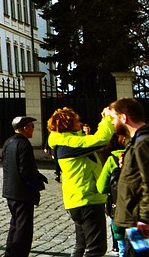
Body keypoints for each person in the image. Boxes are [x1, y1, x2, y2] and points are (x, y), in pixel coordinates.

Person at [49, 104, 116, 257]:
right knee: (96, 249)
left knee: (81, 246)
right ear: (68, 124)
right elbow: (101, 140)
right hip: (87, 200)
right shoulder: (68, 143)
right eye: (76, 121)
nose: (80, 123)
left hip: (78, 200)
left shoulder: (67, 141)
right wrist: (106, 119)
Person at [1, 115, 47, 257]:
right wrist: (35, 186)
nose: (33, 129)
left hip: (10, 191)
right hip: (22, 193)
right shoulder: (24, 144)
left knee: (15, 225)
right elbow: (25, 170)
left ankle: (10, 253)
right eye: (32, 127)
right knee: (23, 229)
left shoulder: (8, 142)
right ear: (25, 128)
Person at [111, 98, 149, 247]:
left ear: (124, 117)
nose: (112, 123)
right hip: (134, 220)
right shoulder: (135, 142)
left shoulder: (143, 143)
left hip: (140, 223)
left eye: (114, 118)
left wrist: (145, 218)